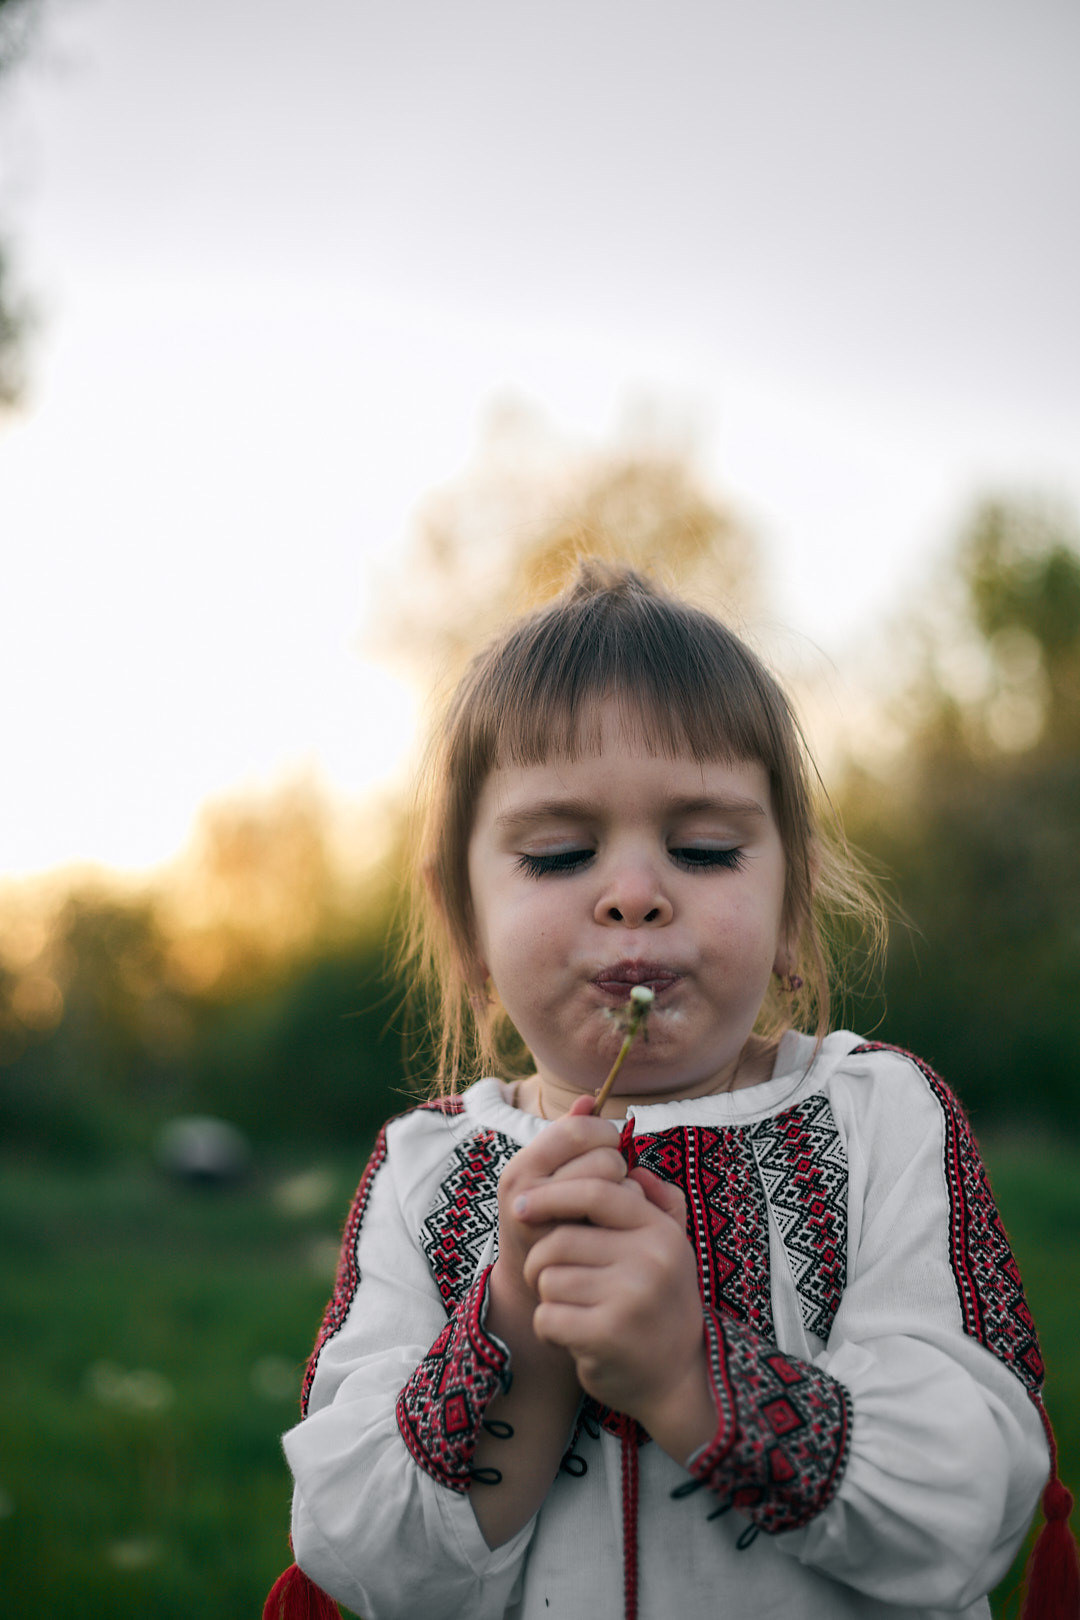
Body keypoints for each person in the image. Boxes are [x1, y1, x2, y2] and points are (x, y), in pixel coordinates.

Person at [264, 562, 1072, 1620]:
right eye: (559, 854)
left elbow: (967, 1509)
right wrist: (517, 1331)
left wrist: (691, 1379)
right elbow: (360, 1552)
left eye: (703, 848)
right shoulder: (428, 1169)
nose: (636, 896)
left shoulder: (882, 1117)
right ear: (464, 923)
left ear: (790, 909)